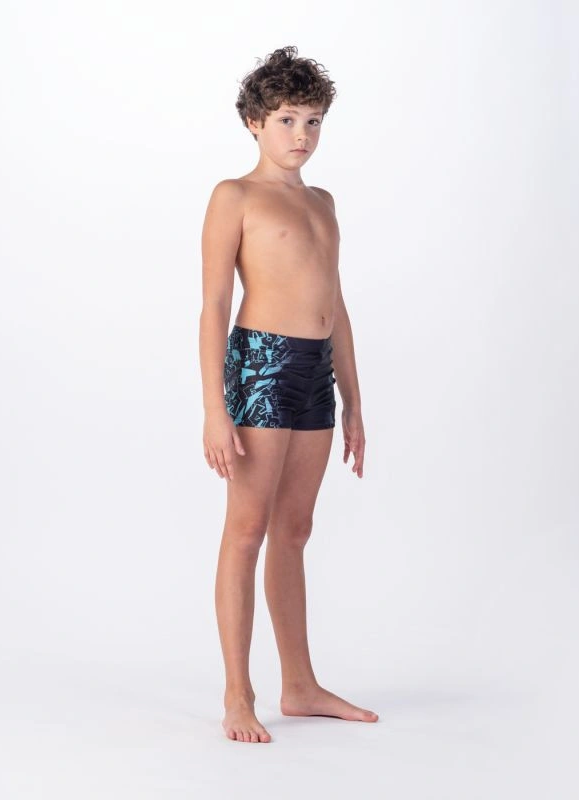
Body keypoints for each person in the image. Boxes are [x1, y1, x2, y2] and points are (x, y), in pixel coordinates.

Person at [199, 45, 377, 744]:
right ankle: (237, 693)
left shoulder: (323, 203)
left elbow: (338, 305)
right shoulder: (235, 196)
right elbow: (215, 305)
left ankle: (299, 685)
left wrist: (354, 400)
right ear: (254, 122)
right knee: (246, 529)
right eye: (286, 120)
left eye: (313, 121)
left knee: (294, 530)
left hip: (315, 373)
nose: (301, 135)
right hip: (262, 366)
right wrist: (215, 408)